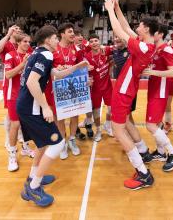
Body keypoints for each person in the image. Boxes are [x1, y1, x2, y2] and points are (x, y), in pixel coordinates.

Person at [17, 25, 89, 207]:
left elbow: (56, 74)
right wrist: (46, 107)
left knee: (43, 144)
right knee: (58, 143)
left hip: (27, 106)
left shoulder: (38, 53)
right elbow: (33, 82)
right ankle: (33, 188)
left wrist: (77, 66)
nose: (58, 40)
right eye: (56, 38)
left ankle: (33, 177)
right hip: (31, 108)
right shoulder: (46, 54)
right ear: (48, 40)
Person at [105, 0, 157, 190]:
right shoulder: (146, 45)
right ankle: (143, 152)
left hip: (124, 91)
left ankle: (143, 173)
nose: (137, 27)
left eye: (141, 26)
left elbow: (119, 31)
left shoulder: (143, 47)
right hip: (127, 89)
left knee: (118, 131)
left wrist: (109, 9)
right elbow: (126, 28)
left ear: (147, 30)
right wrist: (117, 8)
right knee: (124, 122)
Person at [142, 24, 173, 171]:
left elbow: (172, 72)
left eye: (153, 32)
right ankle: (160, 152)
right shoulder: (155, 49)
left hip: (160, 90)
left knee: (150, 125)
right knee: (156, 122)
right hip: (153, 89)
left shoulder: (166, 48)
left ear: (160, 34)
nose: (151, 34)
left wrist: (152, 73)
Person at [0, 25, 33, 153]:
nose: (18, 30)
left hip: (23, 85)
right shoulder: (8, 45)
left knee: (21, 117)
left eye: (19, 29)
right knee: (11, 115)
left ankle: (21, 139)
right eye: (15, 29)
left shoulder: (26, 47)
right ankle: (9, 139)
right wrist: (8, 34)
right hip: (11, 84)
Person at [44, 23, 82, 159]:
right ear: (62, 34)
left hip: (72, 87)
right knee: (59, 117)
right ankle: (63, 143)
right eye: (70, 32)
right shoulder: (52, 50)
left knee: (75, 114)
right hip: (56, 89)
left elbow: (80, 67)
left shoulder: (77, 49)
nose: (73, 34)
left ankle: (72, 139)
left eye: (73, 32)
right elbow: (46, 69)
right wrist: (57, 70)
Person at [4, 32, 34, 171]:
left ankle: (25, 148)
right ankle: (11, 156)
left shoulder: (31, 55)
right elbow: (8, 75)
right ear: (18, 43)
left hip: (27, 95)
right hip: (14, 95)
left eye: (29, 42)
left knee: (26, 123)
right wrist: (23, 64)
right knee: (15, 125)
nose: (27, 44)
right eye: (25, 42)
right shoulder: (10, 55)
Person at [84, 34, 113, 142]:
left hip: (107, 86)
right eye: (91, 41)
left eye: (96, 40)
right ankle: (98, 130)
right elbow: (82, 72)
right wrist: (87, 76)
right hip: (95, 88)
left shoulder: (106, 51)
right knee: (96, 112)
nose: (94, 43)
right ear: (89, 44)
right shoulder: (86, 57)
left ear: (99, 42)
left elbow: (118, 46)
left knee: (111, 109)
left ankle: (108, 124)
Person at [112, 36, 138, 125]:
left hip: (129, 86)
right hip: (119, 86)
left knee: (128, 112)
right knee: (124, 112)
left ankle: (132, 134)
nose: (117, 39)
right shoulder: (114, 51)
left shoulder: (131, 51)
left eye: (120, 37)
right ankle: (129, 133)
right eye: (115, 37)